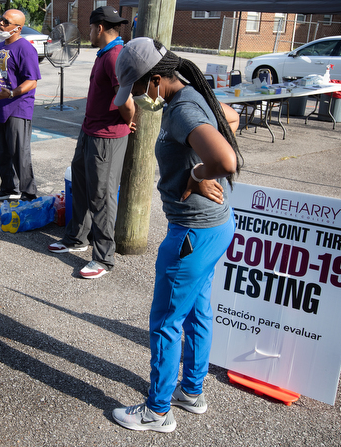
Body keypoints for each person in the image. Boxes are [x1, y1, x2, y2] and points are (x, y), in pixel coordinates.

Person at [110, 38, 242, 433]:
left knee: (166, 321)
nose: (136, 96)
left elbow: (225, 159)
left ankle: (157, 411)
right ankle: (192, 392)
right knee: (197, 313)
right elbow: (231, 118)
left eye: (137, 87)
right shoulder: (190, 97)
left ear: (155, 80)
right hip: (213, 228)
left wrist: (197, 174)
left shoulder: (183, 110)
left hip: (191, 234)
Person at [47, 6, 135, 279]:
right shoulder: (105, 54)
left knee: (102, 196)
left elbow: (127, 101)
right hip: (90, 131)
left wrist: (128, 120)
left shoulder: (115, 57)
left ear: (99, 28)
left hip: (106, 138)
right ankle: (77, 238)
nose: (87, 33)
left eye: (89, 28)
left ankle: (103, 258)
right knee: (82, 186)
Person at [0, 9, 41, 201]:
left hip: (18, 107)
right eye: (1, 19)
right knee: (2, 151)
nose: (0, 24)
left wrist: (11, 93)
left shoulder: (25, 48)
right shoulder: (0, 46)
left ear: (17, 28)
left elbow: (32, 81)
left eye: (6, 22)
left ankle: (29, 193)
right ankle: (9, 188)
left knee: (19, 153)